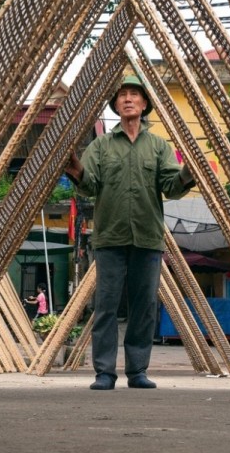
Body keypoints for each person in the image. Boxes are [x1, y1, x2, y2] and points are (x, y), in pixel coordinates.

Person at [65, 74, 194, 390]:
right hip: (110, 236)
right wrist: (76, 170)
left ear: (145, 103)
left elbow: (170, 187)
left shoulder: (158, 146)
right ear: (115, 105)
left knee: (144, 305)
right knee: (106, 305)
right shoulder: (101, 146)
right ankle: (105, 373)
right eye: (122, 95)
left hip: (148, 237)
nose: (128, 99)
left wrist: (188, 172)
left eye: (134, 94)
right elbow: (90, 184)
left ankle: (137, 371)